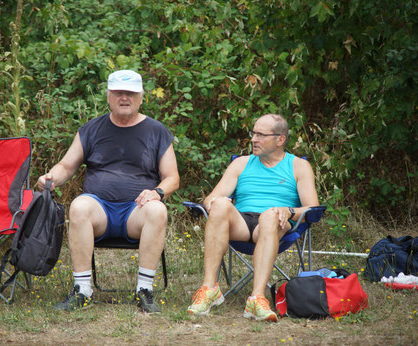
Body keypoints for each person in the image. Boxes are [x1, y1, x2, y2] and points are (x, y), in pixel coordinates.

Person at [38, 70, 180, 313]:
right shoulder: (91, 129)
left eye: (130, 93)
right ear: (108, 96)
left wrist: (157, 192)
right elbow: (66, 166)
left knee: (157, 210)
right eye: (118, 93)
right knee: (79, 206)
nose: (124, 98)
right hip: (99, 211)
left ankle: (144, 290)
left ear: (141, 97)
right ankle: (82, 290)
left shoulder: (156, 131)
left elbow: (172, 177)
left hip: (136, 212)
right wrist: (51, 177)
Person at [187, 114, 319, 322]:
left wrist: (289, 211)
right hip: (240, 223)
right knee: (221, 203)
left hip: (275, 224)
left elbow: (313, 209)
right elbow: (211, 197)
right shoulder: (241, 163)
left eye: (260, 135)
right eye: (253, 133)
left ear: (280, 139)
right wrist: (212, 203)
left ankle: (257, 298)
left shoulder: (298, 167)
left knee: (269, 215)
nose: (253, 139)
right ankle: (209, 288)